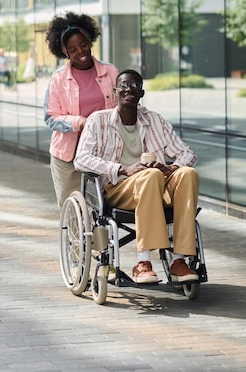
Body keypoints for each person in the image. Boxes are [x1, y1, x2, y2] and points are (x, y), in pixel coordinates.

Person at [74, 69, 200, 284]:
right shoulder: (98, 121)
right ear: (115, 91)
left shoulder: (155, 121)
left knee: (187, 173)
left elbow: (187, 153)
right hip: (118, 188)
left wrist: (171, 168)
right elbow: (81, 159)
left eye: (135, 86)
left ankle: (179, 260)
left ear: (141, 93)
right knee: (150, 175)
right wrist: (122, 168)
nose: (129, 89)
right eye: (124, 85)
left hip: (156, 186)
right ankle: (143, 262)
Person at [43, 11, 119, 210]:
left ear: (90, 41)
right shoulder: (58, 79)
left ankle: (101, 243)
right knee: (72, 208)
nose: (80, 52)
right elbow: (51, 118)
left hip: (103, 151)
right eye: (73, 49)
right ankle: (75, 242)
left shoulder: (110, 72)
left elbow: (124, 106)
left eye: (83, 44)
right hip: (67, 155)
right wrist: (80, 122)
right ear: (65, 52)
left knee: (101, 209)